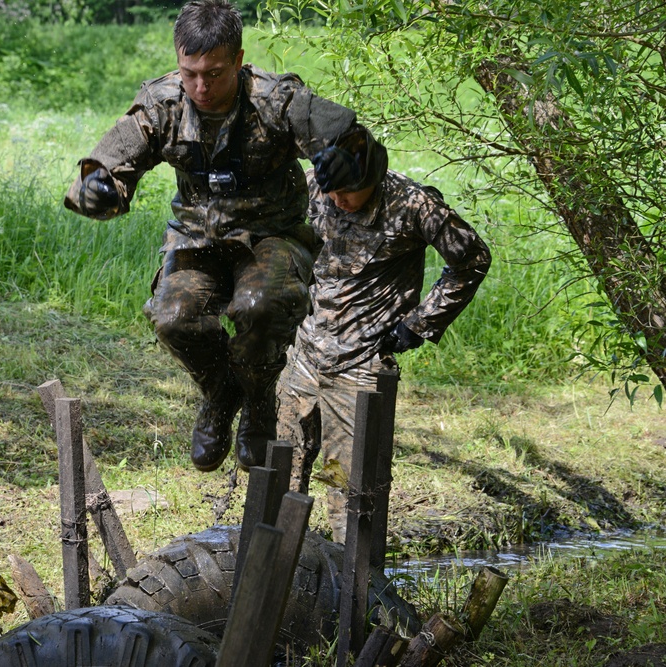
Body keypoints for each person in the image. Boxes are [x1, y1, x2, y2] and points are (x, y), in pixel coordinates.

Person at [64, 0, 384, 472]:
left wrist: (350, 160)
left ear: (238, 60)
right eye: (189, 72)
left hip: (272, 235)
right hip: (197, 239)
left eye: (213, 73)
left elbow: (357, 141)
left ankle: (258, 402)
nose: (200, 86)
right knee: (172, 317)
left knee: (259, 307)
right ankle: (221, 393)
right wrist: (97, 189)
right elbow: (105, 164)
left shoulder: (277, 100)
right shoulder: (163, 103)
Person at [275, 136, 492, 541]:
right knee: (281, 478)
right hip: (303, 356)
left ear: (373, 179)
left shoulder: (413, 205)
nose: (337, 198)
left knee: (351, 494)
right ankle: (282, 581)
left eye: (348, 191)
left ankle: (358, 596)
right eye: (331, 190)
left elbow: (472, 258)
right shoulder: (311, 186)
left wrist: (419, 323)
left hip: (361, 368)